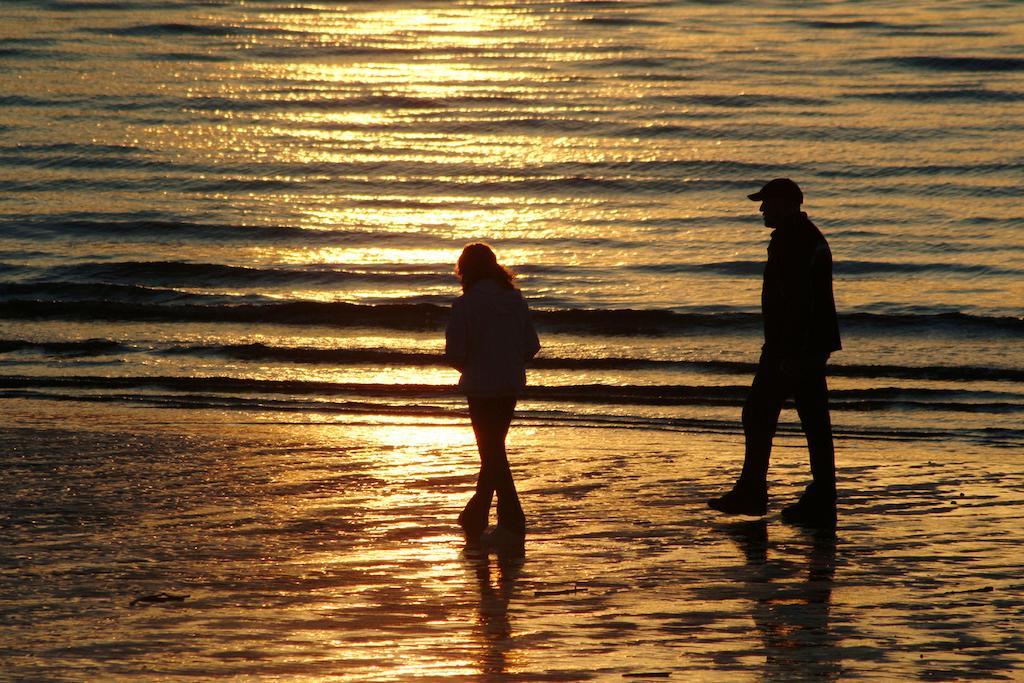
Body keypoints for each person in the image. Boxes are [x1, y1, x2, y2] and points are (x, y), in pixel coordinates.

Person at [708, 179, 842, 528]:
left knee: (758, 413)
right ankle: (819, 496)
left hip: (792, 347)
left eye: (767, 202)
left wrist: (790, 352)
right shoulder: (803, 235)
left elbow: (799, 302)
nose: (762, 209)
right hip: (806, 345)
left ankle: (755, 491)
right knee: (811, 419)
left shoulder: (793, 240)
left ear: (787, 203)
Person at [445, 243, 540, 546]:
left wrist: (473, 366)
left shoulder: (465, 305)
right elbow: (531, 346)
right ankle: (479, 512)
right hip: (510, 381)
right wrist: (509, 364)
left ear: (466, 271)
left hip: (480, 384)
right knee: (493, 448)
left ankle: (513, 517)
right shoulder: (515, 300)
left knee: (491, 450)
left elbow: (456, 353)